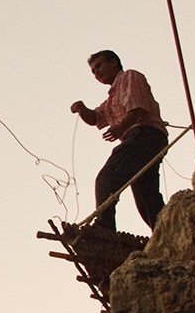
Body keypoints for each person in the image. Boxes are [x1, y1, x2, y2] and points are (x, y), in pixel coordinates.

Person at [70, 50, 168, 231]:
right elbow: (95, 118)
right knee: (146, 195)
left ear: (113, 62)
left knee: (107, 178)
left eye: (98, 66)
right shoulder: (111, 99)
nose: (96, 73)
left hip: (145, 135)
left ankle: (104, 227)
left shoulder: (130, 77)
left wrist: (120, 128)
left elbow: (137, 109)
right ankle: (165, 230)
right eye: (93, 71)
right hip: (144, 138)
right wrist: (82, 108)